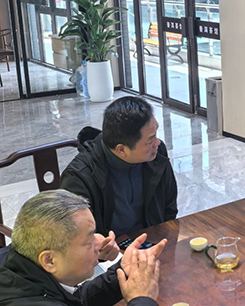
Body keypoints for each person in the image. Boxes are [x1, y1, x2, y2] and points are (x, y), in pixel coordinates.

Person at [0, 189, 168, 306]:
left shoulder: (17, 257)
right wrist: (142, 302)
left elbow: (70, 302)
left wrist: (123, 271)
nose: (99, 244)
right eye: (89, 241)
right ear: (50, 260)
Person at [61, 96, 178, 260]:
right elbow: (75, 239)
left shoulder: (156, 154)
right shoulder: (79, 177)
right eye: (150, 140)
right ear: (121, 150)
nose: (157, 143)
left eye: (156, 134)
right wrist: (100, 249)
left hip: (150, 246)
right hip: (107, 259)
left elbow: (169, 207)